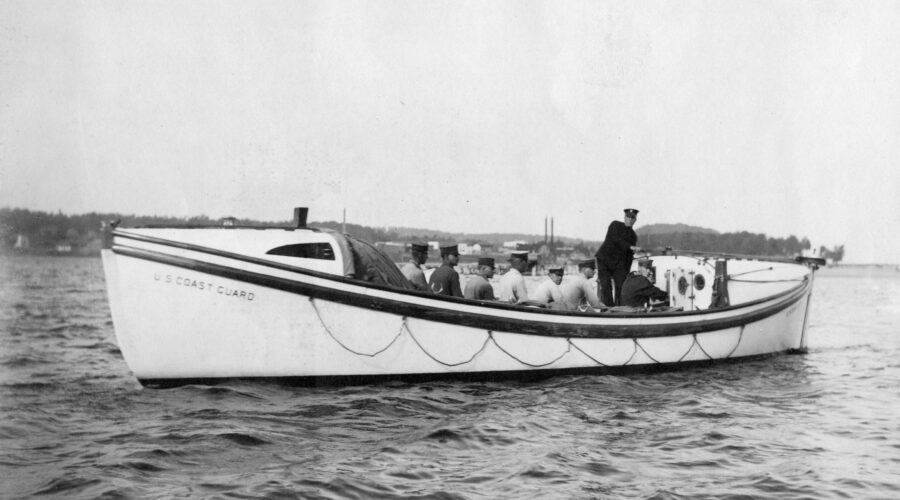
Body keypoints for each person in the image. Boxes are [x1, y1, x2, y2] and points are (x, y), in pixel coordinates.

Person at [595, 208, 643, 306]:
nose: (629, 220)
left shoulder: (633, 236)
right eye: (628, 217)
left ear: (635, 220)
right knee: (605, 286)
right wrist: (630, 246)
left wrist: (627, 272)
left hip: (618, 265)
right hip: (604, 261)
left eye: (632, 218)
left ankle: (619, 308)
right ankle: (609, 308)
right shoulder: (615, 225)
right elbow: (615, 239)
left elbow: (629, 256)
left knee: (621, 286)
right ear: (624, 217)